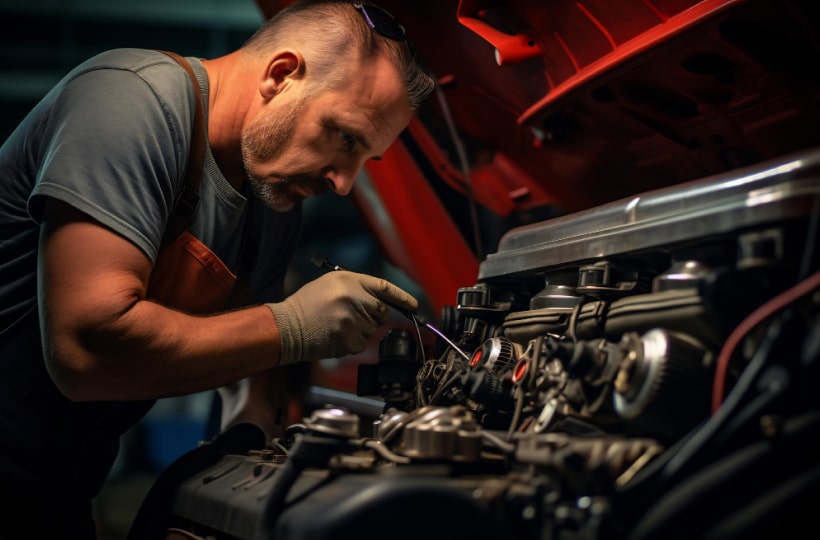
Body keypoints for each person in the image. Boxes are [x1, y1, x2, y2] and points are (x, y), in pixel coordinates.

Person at [0, 0, 435, 537]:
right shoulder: (131, 102)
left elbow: (252, 358)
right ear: (280, 75)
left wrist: (248, 427)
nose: (344, 183)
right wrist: (293, 327)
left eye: (364, 159)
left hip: (58, 496)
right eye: (345, 137)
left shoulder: (273, 200)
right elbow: (83, 352)